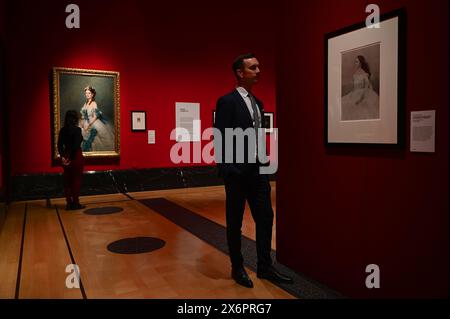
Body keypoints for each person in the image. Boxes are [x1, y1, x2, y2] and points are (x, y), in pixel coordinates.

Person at [214, 53, 293, 288]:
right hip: (237, 174)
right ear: (240, 73)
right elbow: (220, 138)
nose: (259, 71)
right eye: (254, 67)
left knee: (266, 218)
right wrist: (228, 170)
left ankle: (264, 266)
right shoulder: (227, 101)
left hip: (258, 172)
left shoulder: (258, 103)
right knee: (235, 223)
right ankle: (237, 267)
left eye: (259, 67)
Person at [57, 110, 86, 210]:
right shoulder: (77, 130)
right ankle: (76, 203)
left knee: (67, 181)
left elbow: (59, 145)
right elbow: (76, 145)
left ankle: (69, 203)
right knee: (76, 180)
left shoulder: (62, 130)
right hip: (76, 156)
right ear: (75, 119)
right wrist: (71, 158)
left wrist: (63, 157)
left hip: (66, 155)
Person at [341, 55, 380, 121]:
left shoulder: (365, 74)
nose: (355, 63)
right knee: (344, 103)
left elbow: (367, 87)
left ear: (360, 63)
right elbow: (354, 88)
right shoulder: (354, 75)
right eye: (355, 62)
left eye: (357, 62)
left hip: (364, 94)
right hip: (354, 94)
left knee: (361, 108)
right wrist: (351, 96)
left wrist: (360, 98)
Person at [80, 86, 115, 152]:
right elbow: (84, 114)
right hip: (86, 122)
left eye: (89, 93)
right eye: (86, 93)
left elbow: (96, 116)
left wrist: (89, 124)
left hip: (93, 122)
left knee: (100, 138)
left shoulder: (94, 103)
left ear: (92, 94)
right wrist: (83, 121)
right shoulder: (85, 103)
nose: (87, 95)